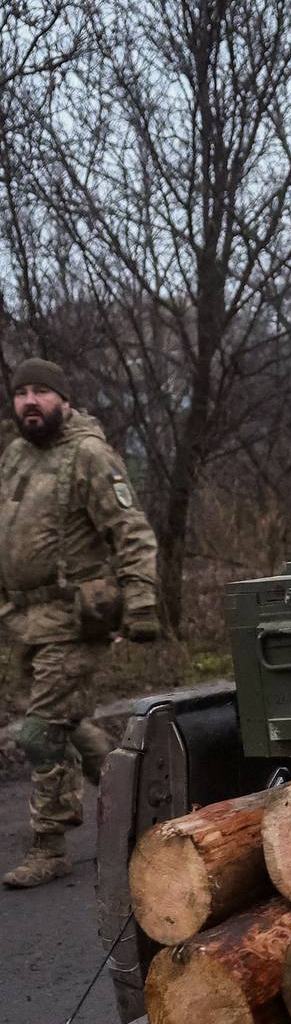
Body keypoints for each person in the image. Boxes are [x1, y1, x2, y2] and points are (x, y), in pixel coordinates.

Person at [1, 358, 159, 887]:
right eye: (21, 392)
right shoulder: (17, 455)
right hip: (26, 619)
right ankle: (144, 810)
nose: (29, 402)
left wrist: (141, 603)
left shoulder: (88, 455)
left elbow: (130, 530)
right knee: (67, 722)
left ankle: (50, 846)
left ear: (63, 400)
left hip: (76, 616)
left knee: (41, 732)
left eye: (41, 391)